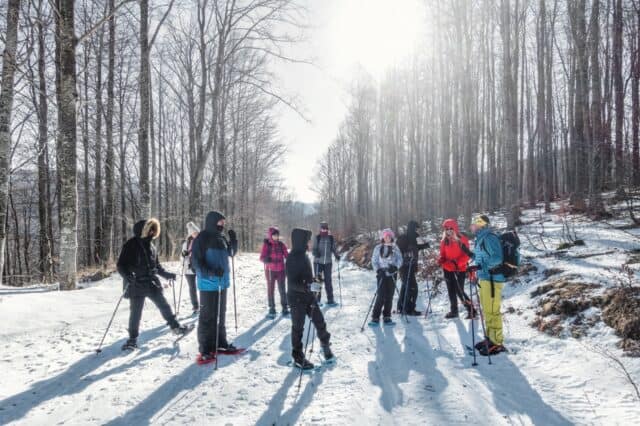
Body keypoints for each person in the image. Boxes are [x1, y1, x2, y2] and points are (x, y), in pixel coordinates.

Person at [117, 218, 188, 350]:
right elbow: (120, 265)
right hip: (136, 284)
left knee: (164, 305)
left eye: (154, 230)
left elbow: (157, 267)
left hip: (151, 283)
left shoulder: (152, 246)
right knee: (135, 313)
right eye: (150, 229)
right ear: (143, 230)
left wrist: (167, 275)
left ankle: (176, 327)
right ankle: (132, 340)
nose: (152, 232)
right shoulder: (131, 244)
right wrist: (128, 276)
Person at [191, 211, 239, 364]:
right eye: (220, 222)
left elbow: (231, 253)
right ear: (212, 221)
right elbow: (196, 263)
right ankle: (205, 348)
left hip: (222, 282)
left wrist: (234, 240)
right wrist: (211, 272)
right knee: (207, 316)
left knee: (221, 314)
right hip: (207, 283)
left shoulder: (222, 238)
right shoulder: (202, 238)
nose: (223, 224)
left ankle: (221, 342)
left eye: (223, 222)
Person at [286, 228, 334, 370]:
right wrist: (307, 286)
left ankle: (325, 345)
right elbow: (292, 283)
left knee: (320, 321)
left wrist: (316, 280)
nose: (309, 242)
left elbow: (307, 277)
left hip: (308, 297)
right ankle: (298, 356)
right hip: (296, 299)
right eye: (307, 240)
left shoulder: (304, 255)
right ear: (300, 241)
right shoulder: (292, 257)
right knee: (298, 328)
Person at [469, 214, 506, 355]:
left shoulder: (490, 237)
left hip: (492, 279)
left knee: (492, 311)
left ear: (480, 224)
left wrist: (480, 267)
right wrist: (475, 266)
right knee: (487, 310)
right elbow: (481, 258)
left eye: (473, 223)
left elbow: (497, 258)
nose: (471, 226)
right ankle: (490, 338)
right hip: (485, 279)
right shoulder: (480, 239)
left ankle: (497, 343)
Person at [438, 218, 475, 319]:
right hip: (447, 269)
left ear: (454, 228)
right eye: (446, 229)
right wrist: (441, 260)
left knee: (460, 291)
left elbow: (467, 255)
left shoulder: (462, 239)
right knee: (451, 290)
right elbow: (442, 254)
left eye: (450, 228)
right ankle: (454, 311)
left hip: (460, 269)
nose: (448, 231)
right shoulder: (444, 241)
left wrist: (457, 263)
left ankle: (471, 310)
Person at [396, 220, 430, 316]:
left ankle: (401, 307)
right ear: (412, 228)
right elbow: (398, 251)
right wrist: (407, 255)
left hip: (411, 267)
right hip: (405, 267)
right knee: (412, 288)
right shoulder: (404, 238)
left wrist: (423, 246)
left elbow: (414, 248)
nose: (417, 231)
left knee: (405, 287)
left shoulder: (413, 238)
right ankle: (409, 309)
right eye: (416, 229)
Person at [369, 229, 403, 326]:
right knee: (381, 295)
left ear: (391, 237)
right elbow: (374, 260)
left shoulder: (395, 247)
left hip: (392, 274)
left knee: (390, 295)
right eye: (385, 236)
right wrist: (378, 270)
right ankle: (375, 317)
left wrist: (395, 267)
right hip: (381, 274)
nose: (387, 238)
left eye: (389, 236)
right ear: (383, 237)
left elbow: (400, 259)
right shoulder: (378, 248)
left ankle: (387, 316)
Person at [259, 226, 289, 317]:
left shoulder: (281, 244)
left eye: (277, 235)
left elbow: (287, 255)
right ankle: (272, 308)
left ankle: (284, 308)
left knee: (282, 289)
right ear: (270, 235)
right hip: (270, 271)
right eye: (274, 235)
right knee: (271, 290)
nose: (276, 237)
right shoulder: (267, 245)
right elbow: (261, 257)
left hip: (281, 270)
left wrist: (292, 259)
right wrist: (266, 259)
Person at [312, 222, 340, 306]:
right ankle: (316, 300)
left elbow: (334, 248)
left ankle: (330, 299)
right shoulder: (317, 237)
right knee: (317, 281)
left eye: (325, 228)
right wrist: (316, 253)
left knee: (328, 281)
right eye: (322, 228)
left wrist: (336, 255)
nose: (324, 230)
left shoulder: (330, 238)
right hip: (318, 262)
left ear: (327, 229)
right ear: (320, 229)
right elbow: (313, 249)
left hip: (328, 262)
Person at [181, 221, 200, 315]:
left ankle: (204, 305)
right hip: (189, 268)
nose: (195, 234)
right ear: (190, 234)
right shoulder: (186, 243)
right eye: (194, 233)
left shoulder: (202, 242)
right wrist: (184, 256)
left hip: (200, 267)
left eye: (196, 232)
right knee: (192, 288)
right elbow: (182, 258)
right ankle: (195, 306)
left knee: (202, 286)